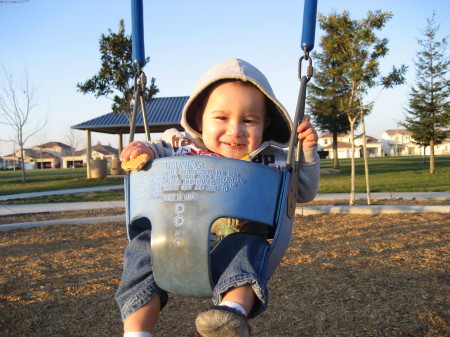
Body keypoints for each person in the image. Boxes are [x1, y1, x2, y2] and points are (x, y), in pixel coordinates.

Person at [116, 58, 320, 337]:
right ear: (200, 117)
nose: (235, 130)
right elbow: (152, 151)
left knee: (251, 245)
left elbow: (303, 192)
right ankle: (138, 331)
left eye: (249, 120)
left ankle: (230, 317)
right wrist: (143, 149)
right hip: (175, 243)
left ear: (266, 124)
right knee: (141, 248)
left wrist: (307, 152)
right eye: (222, 118)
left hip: (233, 253)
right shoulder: (179, 146)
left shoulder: (270, 159)